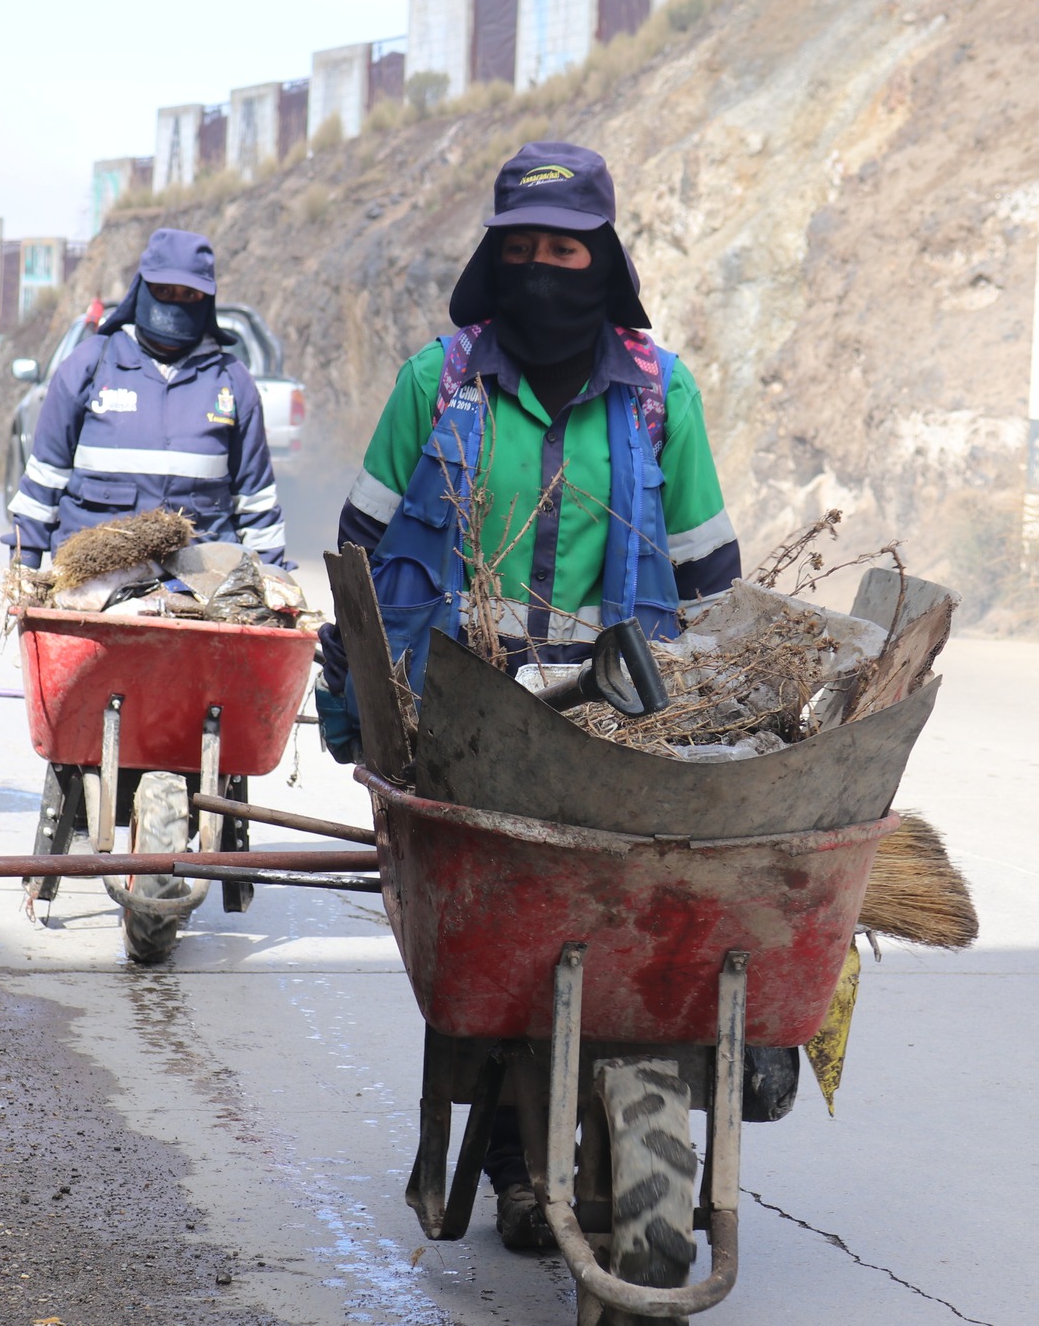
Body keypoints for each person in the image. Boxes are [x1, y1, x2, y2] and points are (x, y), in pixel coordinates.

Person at [315, 142, 741, 1249]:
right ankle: (510, 1154)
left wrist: (733, 698)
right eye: (522, 248)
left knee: (617, 920)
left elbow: (708, 569)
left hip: (621, 719)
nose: (542, 267)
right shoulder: (437, 381)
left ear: (603, 258)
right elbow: (360, 555)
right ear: (493, 255)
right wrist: (361, 695)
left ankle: (586, 1114)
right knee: (508, 931)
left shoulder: (657, 391)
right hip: (470, 718)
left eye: (565, 247)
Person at [4, 228, 287, 569]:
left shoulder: (231, 381)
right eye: (164, 291)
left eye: (189, 294)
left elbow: (256, 501)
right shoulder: (90, 366)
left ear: (207, 300)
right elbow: (43, 481)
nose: (175, 302)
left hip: (204, 578)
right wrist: (24, 566)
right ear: (141, 288)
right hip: (95, 575)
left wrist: (273, 578)